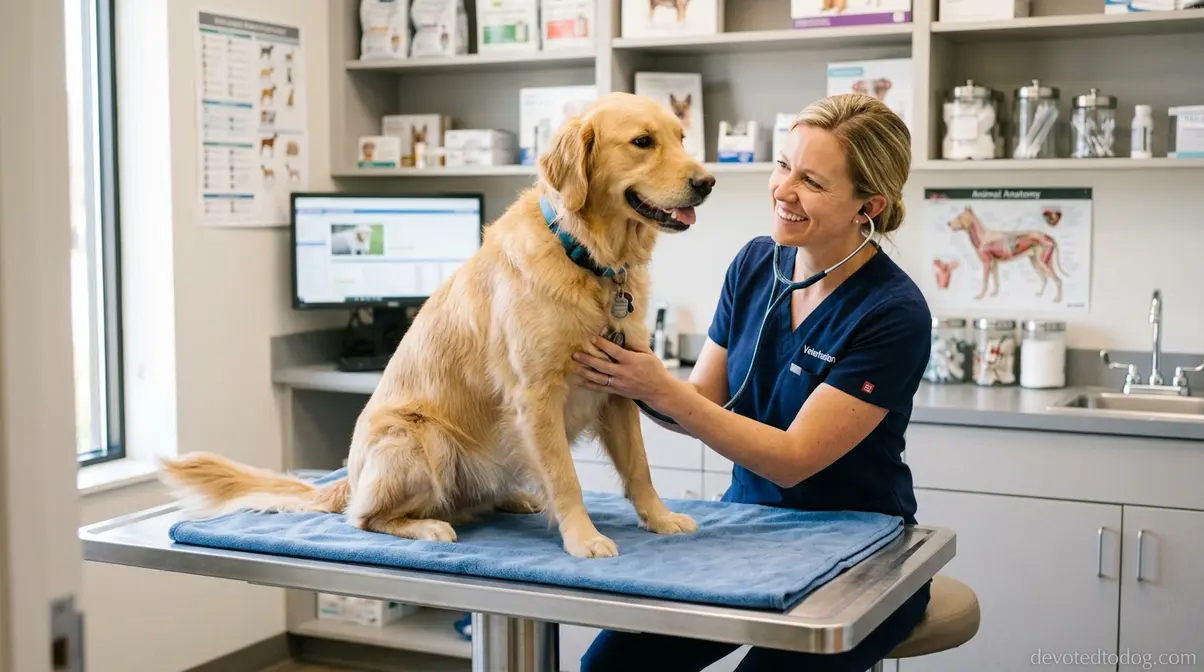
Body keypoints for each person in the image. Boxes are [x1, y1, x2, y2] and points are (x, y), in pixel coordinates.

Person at [571, 93, 933, 672]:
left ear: (869, 204)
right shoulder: (755, 264)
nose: (783, 190)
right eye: (784, 165)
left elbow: (792, 460)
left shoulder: (893, 312)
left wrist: (657, 387)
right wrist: (618, 373)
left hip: (863, 549)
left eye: (811, 181)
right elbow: (701, 403)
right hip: (751, 527)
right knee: (611, 666)